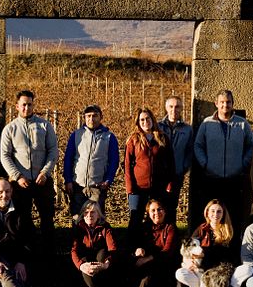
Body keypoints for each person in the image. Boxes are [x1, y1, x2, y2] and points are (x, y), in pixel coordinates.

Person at [193, 90, 253, 240]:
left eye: (228, 102)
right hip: (211, 178)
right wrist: (205, 163)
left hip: (234, 179)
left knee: (233, 215)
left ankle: (232, 250)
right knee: (212, 216)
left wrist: (243, 163)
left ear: (232, 104)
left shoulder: (242, 124)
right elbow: (198, 145)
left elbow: (252, 145)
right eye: (222, 102)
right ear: (216, 104)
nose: (225, 105)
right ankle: (210, 247)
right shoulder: (207, 123)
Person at [0, 90, 58, 249]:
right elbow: (5, 155)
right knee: (22, 219)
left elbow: (53, 150)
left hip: (42, 180)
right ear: (17, 106)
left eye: (30, 104)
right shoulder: (10, 129)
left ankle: (49, 251)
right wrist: (17, 176)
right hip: (20, 183)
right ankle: (26, 252)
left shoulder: (45, 126)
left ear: (34, 105)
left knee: (47, 217)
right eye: (23, 105)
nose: (27, 108)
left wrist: (45, 172)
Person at [124, 107, 174, 246]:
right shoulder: (133, 140)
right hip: (138, 188)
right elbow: (127, 165)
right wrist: (130, 188)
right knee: (135, 218)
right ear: (138, 123)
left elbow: (170, 163)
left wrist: (169, 185)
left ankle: (159, 247)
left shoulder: (162, 138)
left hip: (158, 187)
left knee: (158, 218)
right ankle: (132, 249)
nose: (145, 122)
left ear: (152, 120)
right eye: (142, 120)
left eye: (148, 118)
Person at [63, 104, 119, 219]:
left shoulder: (109, 137)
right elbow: (68, 158)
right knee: (77, 218)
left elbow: (114, 161)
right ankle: (77, 237)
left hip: (97, 186)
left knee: (97, 219)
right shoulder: (76, 135)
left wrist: (108, 180)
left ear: (101, 117)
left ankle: (98, 237)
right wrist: (68, 180)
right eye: (88, 116)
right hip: (78, 185)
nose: (91, 119)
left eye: (95, 116)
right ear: (84, 117)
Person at [175, 199, 235, 287]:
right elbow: (189, 248)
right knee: (180, 273)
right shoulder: (201, 229)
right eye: (212, 211)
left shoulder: (228, 230)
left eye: (219, 211)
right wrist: (191, 262)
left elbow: (228, 255)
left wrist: (204, 255)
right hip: (201, 270)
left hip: (219, 269)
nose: (215, 214)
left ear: (223, 213)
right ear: (207, 212)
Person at [130, 199, 178, 287]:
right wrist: (138, 250)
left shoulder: (170, 228)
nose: (157, 213)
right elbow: (133, 244)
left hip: (165, 264)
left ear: (165, 211)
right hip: (146, 264)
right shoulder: (144, 227)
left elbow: (167, 251)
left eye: (159, 209)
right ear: (148, 213)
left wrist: (148, 258)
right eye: (153, 210)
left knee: (150, 271)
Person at [71, 200, 117, 287]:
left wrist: (107, 263)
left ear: (99, 214)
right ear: (82, 214)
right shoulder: (78, 227)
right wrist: (81, 265)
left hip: (101, 260)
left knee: (102, 253)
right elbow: (74, 250)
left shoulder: (105, 227)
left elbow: (113, 248)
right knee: (86, 263)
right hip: (85, 258)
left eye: (93, 212)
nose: (89, 215)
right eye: (86, 212)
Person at [158, 96, 193, 224]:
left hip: (177, 174)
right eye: (171, 106)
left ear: (182, 108)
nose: (174, 109)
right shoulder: (158, 127)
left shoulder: (187, 129)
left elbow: (190, 151)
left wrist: (184, 167)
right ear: (166, 108)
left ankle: (171, 234)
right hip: (159, 175)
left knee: (172, 206)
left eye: (177, 106)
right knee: (158, 206)